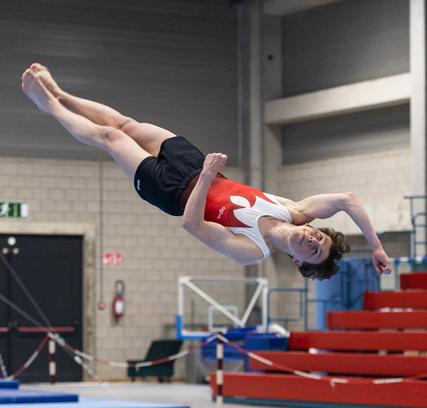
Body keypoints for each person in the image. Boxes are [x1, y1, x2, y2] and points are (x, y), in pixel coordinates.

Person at [21, 63, 392, 279]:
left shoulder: (253, 251)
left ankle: (50, 105)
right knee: (126, 123)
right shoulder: (293, 209)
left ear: (298, 261)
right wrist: (375, 245)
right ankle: (61, 92)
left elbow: (193, 225)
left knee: (109, 137)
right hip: (196, 164)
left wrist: (206, 177)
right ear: (312, 228)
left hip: (171, 191)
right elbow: (348, 199)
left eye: (313, 252)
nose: (313, 243)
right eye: (320, 240)